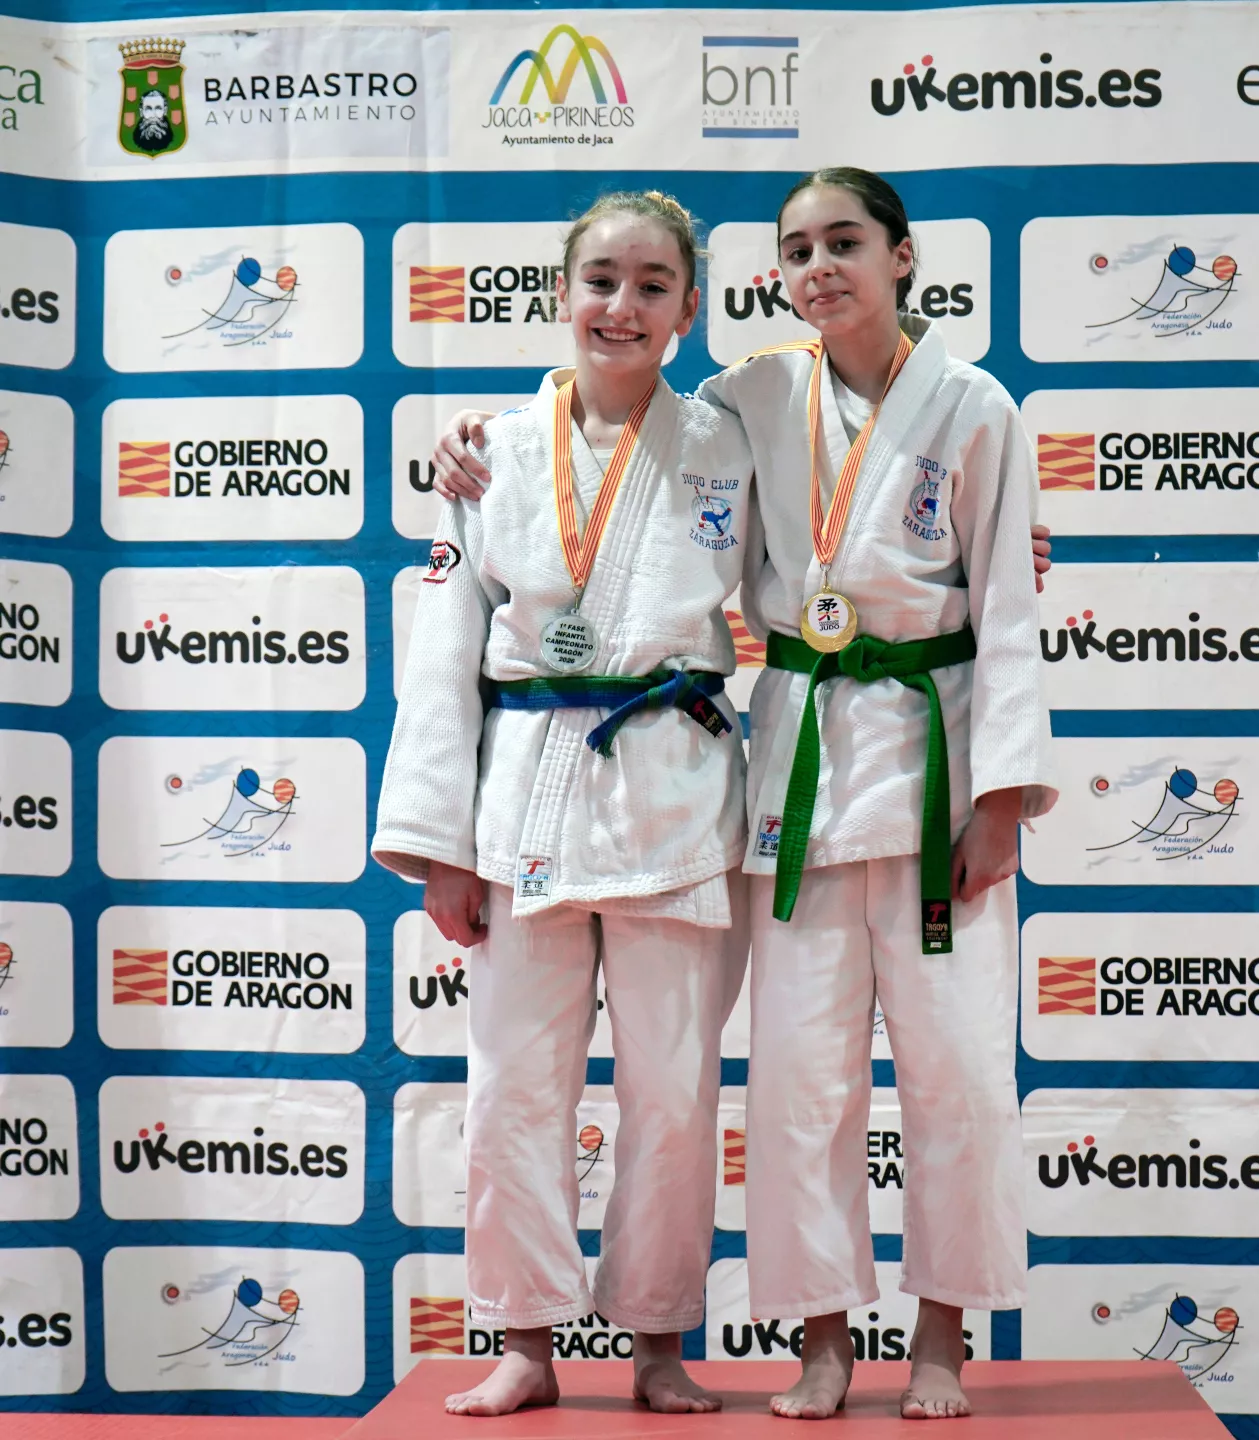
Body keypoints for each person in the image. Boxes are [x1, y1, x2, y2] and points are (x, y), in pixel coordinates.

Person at [432, 169, 1056, 1422]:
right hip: (746, 778)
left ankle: (896, 1335)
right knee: (767, 1082)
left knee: (931, 1080)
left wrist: (1006, 793)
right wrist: (453, 452)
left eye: (845, 243)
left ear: (902, 254)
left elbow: (1003, 585)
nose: (820, 265)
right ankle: (698, 1339)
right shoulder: (708, 407)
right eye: (798, 247)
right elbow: (469, 610)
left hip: (881, 768)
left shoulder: (930, 408)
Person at [373, 191, 754, 1418]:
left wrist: (978, 559)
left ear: (689, 309)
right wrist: (436, 847)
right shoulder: (489, 454)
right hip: (522, 801)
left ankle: (655, 1340)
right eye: (601, 280)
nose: (622, 305)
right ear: (560, 294)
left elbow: (829, 573)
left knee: (675, 1090)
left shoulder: (730, 447)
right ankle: (526, 1338)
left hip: (676, 800)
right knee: (515, 1086)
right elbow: (444, 655)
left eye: (652, 284)